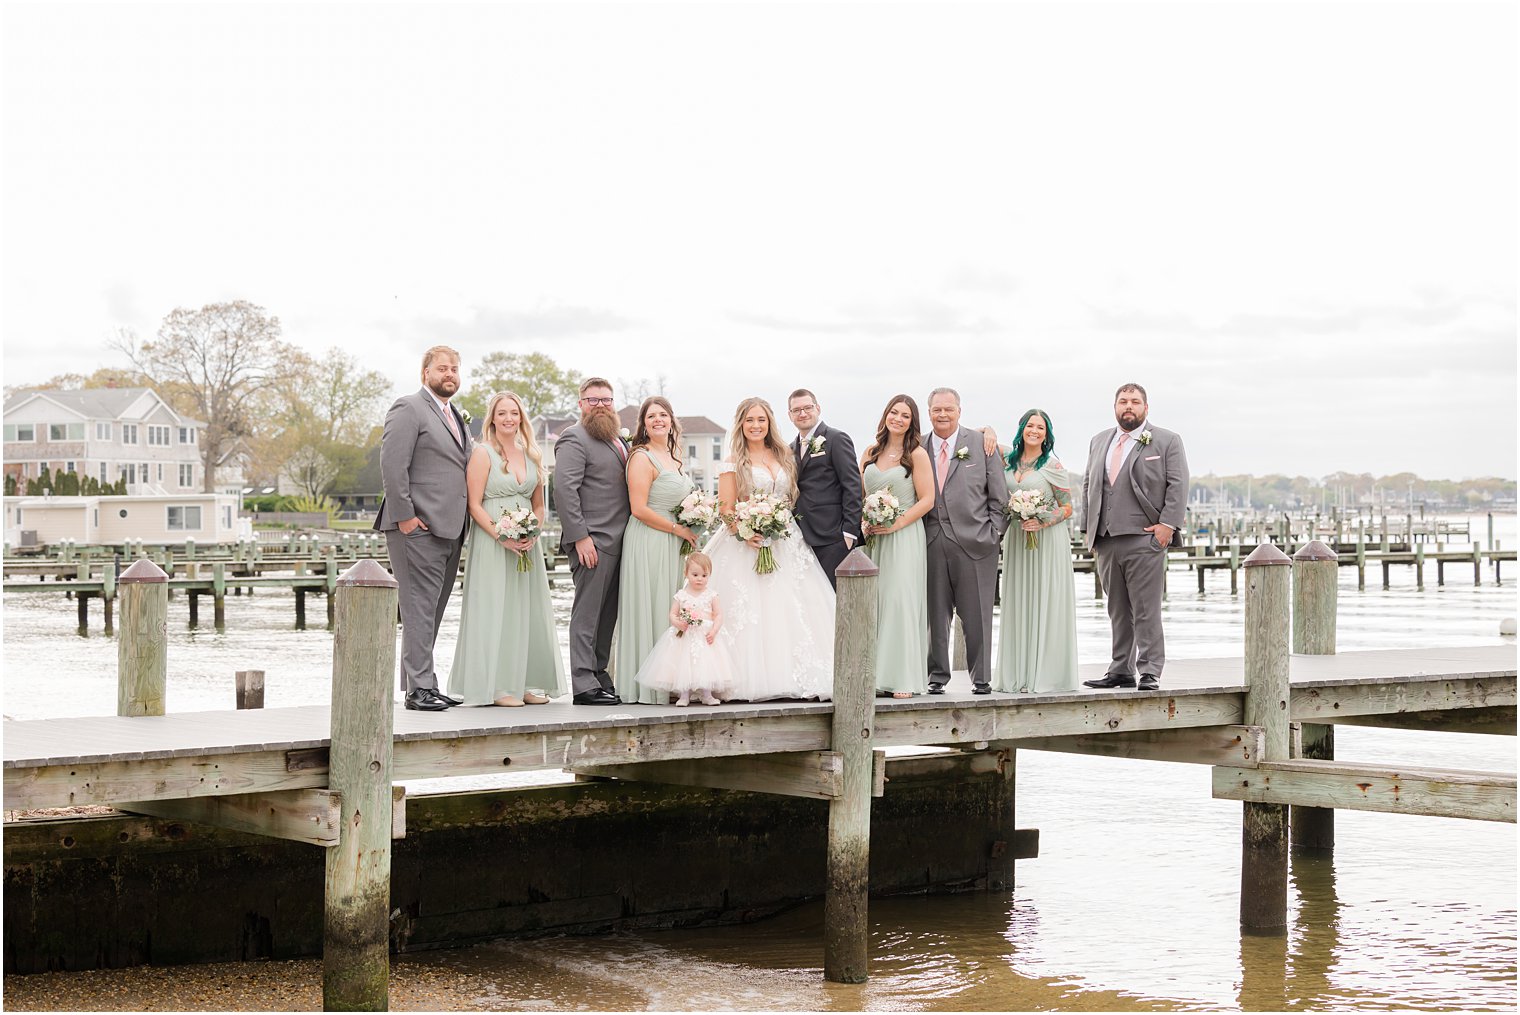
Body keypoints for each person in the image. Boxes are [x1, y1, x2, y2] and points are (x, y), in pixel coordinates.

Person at [702, 396, 835, 701]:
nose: (756, 425)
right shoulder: (733, 462)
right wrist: (744, 531)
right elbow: (726, 507)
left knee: (794, 605)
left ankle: (795, 675)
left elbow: (792, 497)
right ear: (741, 424)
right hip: (747, 540)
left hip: (786, 537)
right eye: (749, 420)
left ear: (769, 422)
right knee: (752, 609)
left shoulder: (784, 454)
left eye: (761, 419)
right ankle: (749, 679)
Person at [446, 390, 567, 707]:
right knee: (495, 609)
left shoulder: (532, 454)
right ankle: (498, 687)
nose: (509, 418)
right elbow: (474, 505)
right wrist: (503, 536)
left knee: (526, 611)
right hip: (493, 544)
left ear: (521, 417)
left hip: (527, 545)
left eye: (514, 412)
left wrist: (533, 532)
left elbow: (539, 505)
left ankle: (524, 683)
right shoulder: (483, 453)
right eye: (502, 413)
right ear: (493, 418)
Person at [374, 344, 471, 711]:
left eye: (455, 369)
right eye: (442, 368)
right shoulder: (408, 407)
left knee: (432, 609)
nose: (449, 374)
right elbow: (392, 465)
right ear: (425, 373)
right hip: (416, 528)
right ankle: (418, 691)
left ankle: (425, 682)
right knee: (417, 608)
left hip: (450, 528)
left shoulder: (454, 416)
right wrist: (406, 518)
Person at [1081, 383, 1190, 692]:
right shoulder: (1099, 440)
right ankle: (1120, 670)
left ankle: (1150, 670)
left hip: (1145, 538)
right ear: (1115, 406)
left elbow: (1178, 484)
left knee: (1145, 609)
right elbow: (1090, 485)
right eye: (1123, 401)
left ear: (1145, 407)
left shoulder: (1167, 440)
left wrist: (1167, 525)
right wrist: (1089, 532)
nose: (1128, 406)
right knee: (1117, 609)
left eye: (1135, 401)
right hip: (1106, 539)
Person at [922, 387, 1010, 695]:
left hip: (977, 544)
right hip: (930, 541)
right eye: (936, 410)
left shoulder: (981, 443)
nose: (942, 414)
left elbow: (999, 496)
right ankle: (936, 675)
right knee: (935, 614)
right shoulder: (917, 447)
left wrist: (992, 534)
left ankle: (981, 678)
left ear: (960, 410)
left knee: (977, 615)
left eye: (948, 409)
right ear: (929, 411)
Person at [614, 396, 700, 704]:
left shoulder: (674, 456)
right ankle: (647, 686)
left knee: (671, 607)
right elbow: (638, 508)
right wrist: (678, 528)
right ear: (644, 423)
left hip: (672, 540)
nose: (658, 420)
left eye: (663, 414)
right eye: (652, 416)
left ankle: (672, 680)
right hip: (649, 539)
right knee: (651, 607)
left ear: (672, 420)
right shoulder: (642, 456)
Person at [555, 377, 633, 706]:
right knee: (587, 615)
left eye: (606, 400)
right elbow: (564, 490)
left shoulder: (618, 440)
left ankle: (600, 673)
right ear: (581, 404)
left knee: (607, 616)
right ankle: (583, 684)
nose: (600, 405)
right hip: (593, 542)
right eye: (593, 400)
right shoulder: (574, 438)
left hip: (620, 541)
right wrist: (580, 537)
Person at [993, 409, 1079, 693]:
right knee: (1018, 599)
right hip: (1018, 537)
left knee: (1043, 599)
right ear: (1021, 429)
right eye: (1030, 426)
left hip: (1045, 540)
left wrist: (1042, 520)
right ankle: (1017, 673)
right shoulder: (1009, 460)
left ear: (1047, 434)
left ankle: (1044, 673)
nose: (1034, 431)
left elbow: (1067, 507)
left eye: (1040, 428)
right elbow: (984, 435)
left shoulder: (1052, 466)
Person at [860, 395, 935, 698]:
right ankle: (874, 676)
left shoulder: (916, 454)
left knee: (899, 601)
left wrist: (897, 523)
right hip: (875, 536)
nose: (899, 419)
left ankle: (903, 678)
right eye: (894, 412)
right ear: (886, 415)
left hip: (903, 535)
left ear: (912, 422)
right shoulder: (869, 451)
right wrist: (865, 520)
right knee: (875, 603)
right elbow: (860, 493)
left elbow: (928, 499)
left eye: (905, 415)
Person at [634, 551, 737, 707]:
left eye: (704, 575)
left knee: (706, 664)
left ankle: (707, 694)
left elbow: (718, 615)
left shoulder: (711, 595)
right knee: (683, 664)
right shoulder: (681, 595)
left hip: (705, 636)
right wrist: (678, 623)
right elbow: (672, 614)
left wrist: (714, 631)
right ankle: (684, 694)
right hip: (685, 635)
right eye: (695, 574)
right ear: (686, 574)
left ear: (709, 575)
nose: (700, 579)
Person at [788, 389, 864, 588]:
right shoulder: (789, 449)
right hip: (800, 537)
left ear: (817, 408)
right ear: (790, 415)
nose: (802, 413)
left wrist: (849, 532)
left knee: (832, 599)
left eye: (807, 408)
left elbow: (852, 485)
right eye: (796, 410)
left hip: (833, 537)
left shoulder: (836, 439)